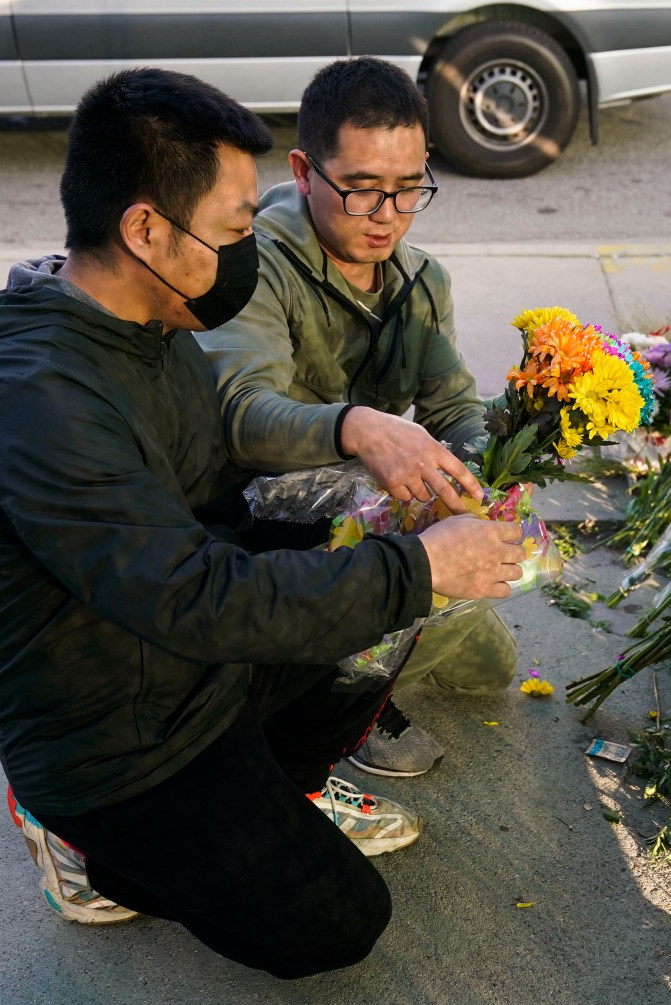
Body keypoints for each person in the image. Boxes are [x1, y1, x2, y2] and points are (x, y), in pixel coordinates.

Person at [0, 67, 524, 977]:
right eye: (234, 228)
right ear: (144, 229)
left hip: (187, 656)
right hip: (114, 737)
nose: (253, 244)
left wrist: (397, 542)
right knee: (340, 921)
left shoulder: (153, 325)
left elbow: (221, 517)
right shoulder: (37, 399)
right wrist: (416, 567)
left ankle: (284, 780)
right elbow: (197, 597)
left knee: (375, 564)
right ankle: (78, 842)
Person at [198, 57, 517, 779]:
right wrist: (362, 427)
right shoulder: (253, 265)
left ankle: (356, 665)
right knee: (374, 502)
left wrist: (523, 436)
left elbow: (455, 407)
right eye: (362, 190)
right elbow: (240, 415)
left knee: (488, 665)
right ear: (305, 171)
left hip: (359, 512)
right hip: (252, 524)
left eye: (408, 190)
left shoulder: (422, 279)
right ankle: (326, 713)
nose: (387, 217)